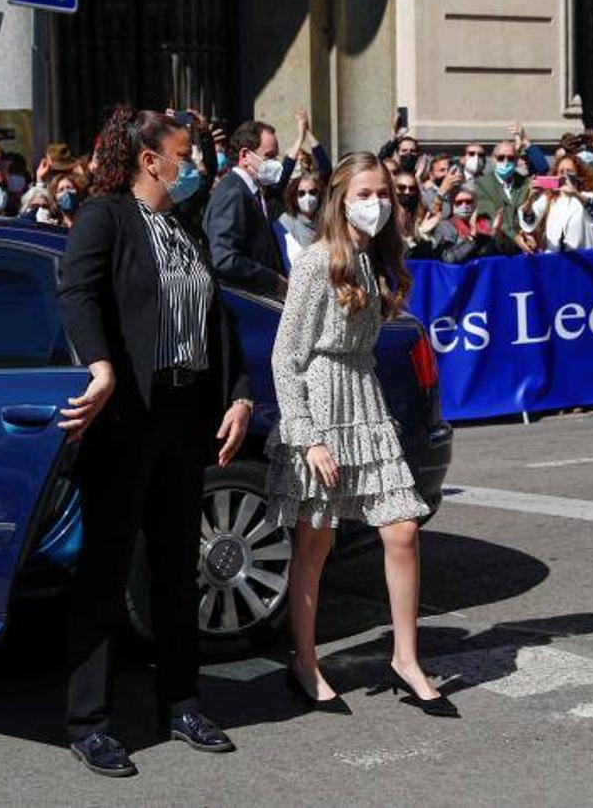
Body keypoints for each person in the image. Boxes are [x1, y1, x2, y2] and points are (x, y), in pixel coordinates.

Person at [57, 107, 253, 777]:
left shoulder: (184, 226)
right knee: (106, 571)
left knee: (177, 568)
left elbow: (216, 319)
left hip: (183, 411)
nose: (193, 162)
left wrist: (238, 393)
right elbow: (75, 291)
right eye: (184, 152)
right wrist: (100, 364)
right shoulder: (104, 217)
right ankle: (89, 721)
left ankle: (183, 701)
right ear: (150, 160)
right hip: (126, 416)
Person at [267, 150, 457, 719]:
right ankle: (304, 662)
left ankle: (405, 657)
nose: (376, 204)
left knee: (401, 528)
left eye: (383, 194)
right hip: (320, 404)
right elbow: (285, 355)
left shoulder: (374, 261)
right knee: (316, 539)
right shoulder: (315, 262)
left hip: (364, 396)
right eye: (364, 194)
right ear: (340, 201)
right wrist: (308, 437)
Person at [204, 120, 288, 297]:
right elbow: (224, 259)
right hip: (246, 306)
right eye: (269, 156)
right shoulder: (233, 193)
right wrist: (274, 281)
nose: (275, 163)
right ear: (244, 156)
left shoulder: (253, 192)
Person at [474, 138, 530, 252]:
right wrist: (515, 237)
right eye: (501, 158)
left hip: (524, 245)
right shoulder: (482, 184)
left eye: (510, 158)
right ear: (493, 159)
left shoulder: (526, 183)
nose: (505, 161)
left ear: (516, 161)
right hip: (496, 247)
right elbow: (493, 215)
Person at [277, 171, 322, 269]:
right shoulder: (286, 221)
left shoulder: (326, 220)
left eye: (312, 192)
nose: (308, 197)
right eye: (301, 194)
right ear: (294, 197)